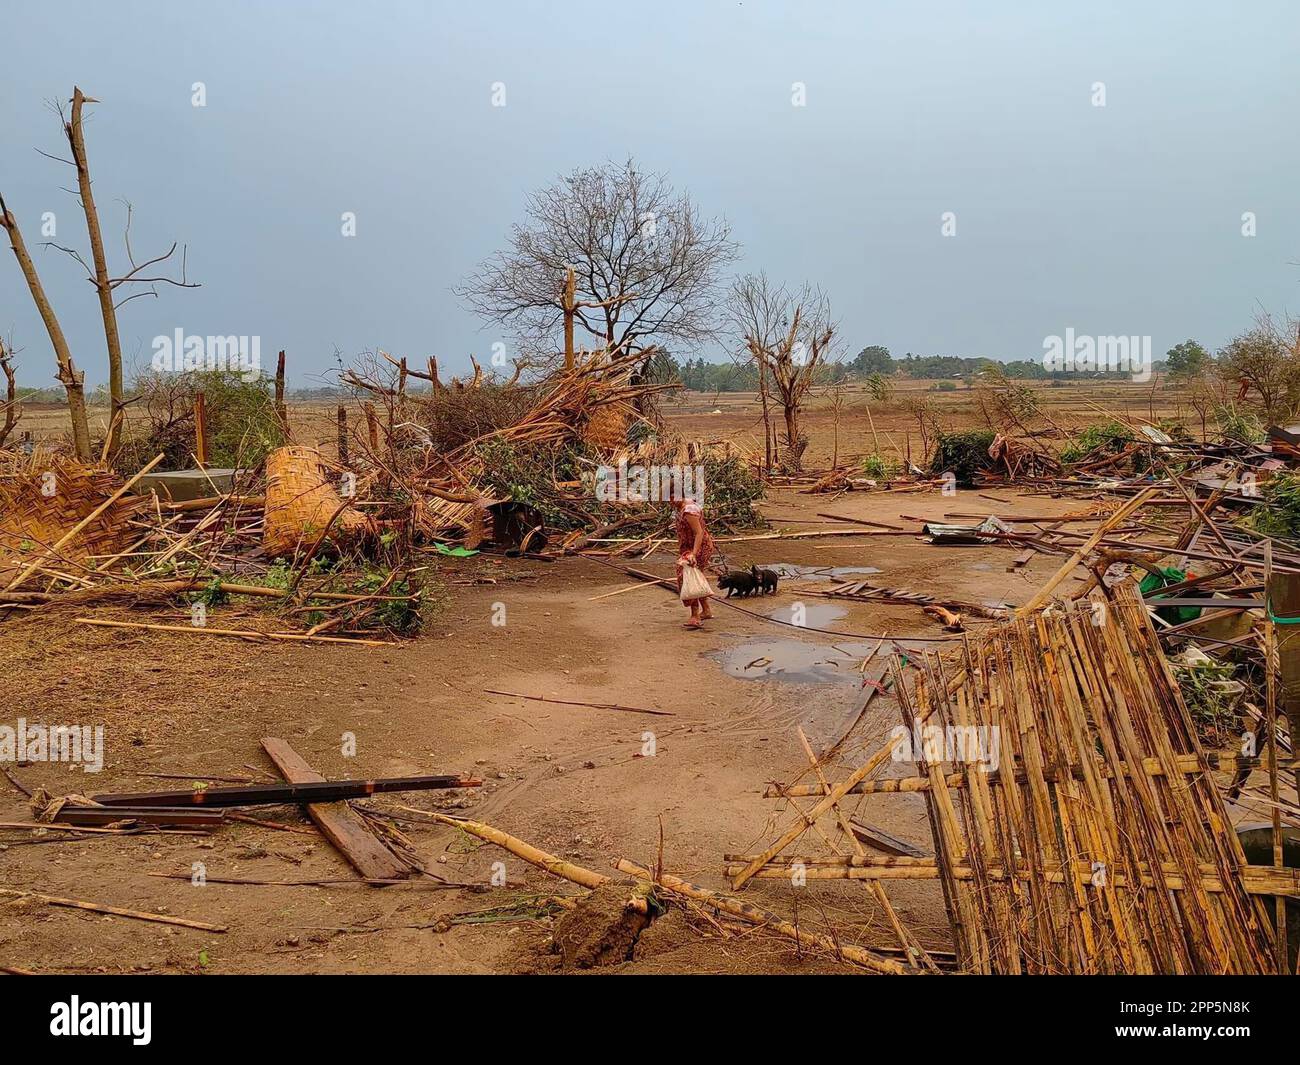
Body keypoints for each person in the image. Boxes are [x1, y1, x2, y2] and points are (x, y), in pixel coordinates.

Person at [670, 493, 715, 630]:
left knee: (687, 577)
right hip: (689, 548)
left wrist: (693, 554)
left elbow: (698, 533)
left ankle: (695, 615)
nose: (670, 502)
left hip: (697, 548)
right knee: (696, 577)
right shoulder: (682, 508)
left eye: (671, 498)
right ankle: (706, 610)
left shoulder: (689, 510)